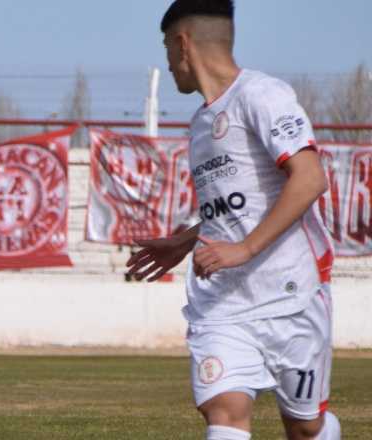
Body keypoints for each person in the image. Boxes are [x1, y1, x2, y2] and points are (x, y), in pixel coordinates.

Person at [126, 2, 340, 439]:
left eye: (167, 48)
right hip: (222, 304)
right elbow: (235, 207)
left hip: (291, 296)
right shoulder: (202, 122)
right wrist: (185, 241)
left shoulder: (261, 95)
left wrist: (244, 249)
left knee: (304, 428)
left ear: (183, 44)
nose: (167, 64)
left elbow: (309, 177)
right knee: (224, 414)